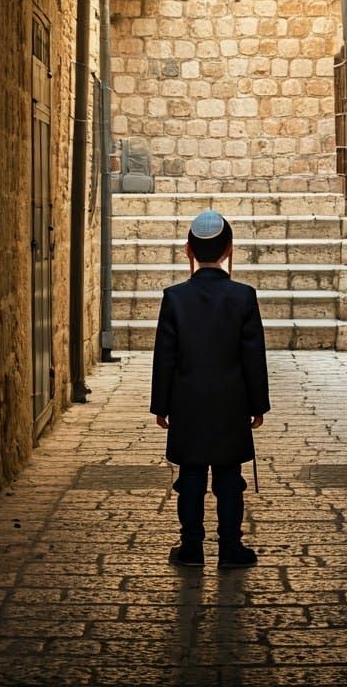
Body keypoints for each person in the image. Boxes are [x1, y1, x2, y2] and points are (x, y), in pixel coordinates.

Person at [149, 209, 270, 569]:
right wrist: (258, 404)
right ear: (229, 250)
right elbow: (252, 355)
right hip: (231, 403)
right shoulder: (243, 297)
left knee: (190, 476)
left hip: (187, 403)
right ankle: (230, 547)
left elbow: (165, 356)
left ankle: (191, 547)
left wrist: (161, 405)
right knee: (229, 476)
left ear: (188, 250)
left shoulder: (175, 298)